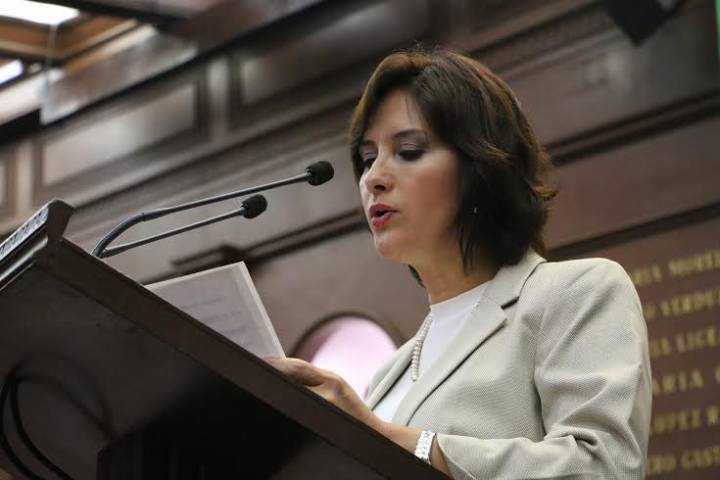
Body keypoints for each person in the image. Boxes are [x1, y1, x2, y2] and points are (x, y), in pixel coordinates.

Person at [267, 47, 651, 479]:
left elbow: (602, 467)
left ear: (480, 167)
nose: (373, 178)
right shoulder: (390, 374)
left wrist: (401, 441)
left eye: (408, 150)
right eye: (368, 158)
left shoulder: (576, 292)